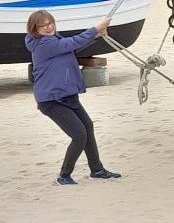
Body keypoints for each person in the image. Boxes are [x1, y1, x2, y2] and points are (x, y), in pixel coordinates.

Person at [25, 10, 121, 185]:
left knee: (87, 127)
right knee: (79, 135)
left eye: (50, 23)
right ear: (34, 29)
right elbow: (73, 42)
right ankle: (64, 175)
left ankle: (97, 170)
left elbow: (73, 46)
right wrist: (95, 28)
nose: (49, 27)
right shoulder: (43, 45)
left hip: (67, 96)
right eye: (43, 25)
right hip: (52, 100)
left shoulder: (55, 41)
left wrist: (97, 35)